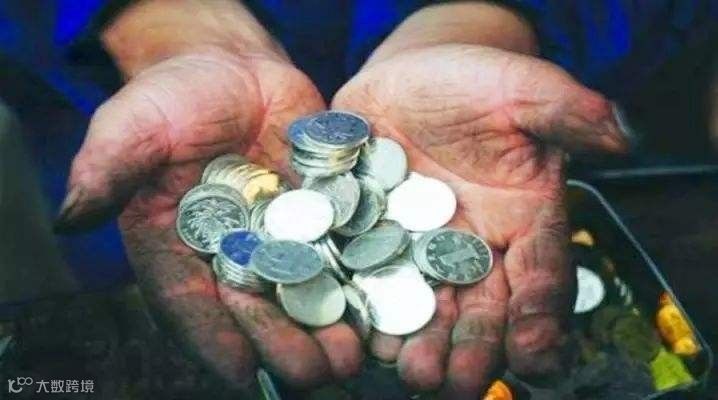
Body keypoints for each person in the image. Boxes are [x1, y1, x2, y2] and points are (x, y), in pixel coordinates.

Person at [2, 1, 716, 398]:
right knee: (156, 291)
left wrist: (478, 19)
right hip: (167, 154)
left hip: (501, 123)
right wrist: (162, 24)